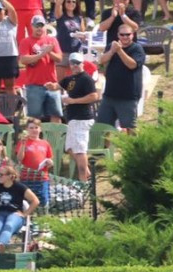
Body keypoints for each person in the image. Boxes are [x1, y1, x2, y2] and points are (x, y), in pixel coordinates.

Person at [96, 23, 145, 133]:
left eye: (128, 34)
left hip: (128, 96)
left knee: (130, 128)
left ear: (132, 35)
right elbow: (102, 60)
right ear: (118, 35)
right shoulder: (112, 46)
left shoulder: (137, 49)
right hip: (109, 95)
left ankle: (133, 145)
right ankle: (106, 145)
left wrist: (119, 51)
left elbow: (132, 65)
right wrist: (112, 51)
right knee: (103, 127)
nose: (125, 37)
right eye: (122, 35)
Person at [58, 52, 98, 182]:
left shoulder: (86, 79)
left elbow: (94, 96)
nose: (75, 65)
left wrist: (73, 101)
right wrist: (50, 86)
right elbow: (57, 86)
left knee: (80, 151)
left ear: (82, 64)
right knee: (69, 148)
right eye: (72, 63)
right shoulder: (70, 78)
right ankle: (87, 173)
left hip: (82, 118)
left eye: (77, 63)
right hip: (73, 118)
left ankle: (83, 182)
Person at [0, 164, 38, 249]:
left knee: (8, 225)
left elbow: (35, 201)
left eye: (1, 175)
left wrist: (25, 214)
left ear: (10, 176)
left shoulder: (20, 187)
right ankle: (0, 249)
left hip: (15, 214)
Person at [18, 14, 63, 122]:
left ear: (45, 26)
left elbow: (59, 58)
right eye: (37, 26)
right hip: (34, 85)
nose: (39, 28)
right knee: (34, 118)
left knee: (56, 115)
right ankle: (37, 134)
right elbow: (23, 60)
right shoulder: (26, 41)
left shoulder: (52, 40)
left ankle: (54, 134)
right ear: (32, 26)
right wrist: (42, 54)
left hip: (52, 84)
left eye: (41, 25)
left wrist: (49, 52)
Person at [14, 117, 52, 208]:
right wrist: (23, 145)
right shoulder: (23, 142)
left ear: (40, 129)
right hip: (26, 177)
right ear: (27, 129)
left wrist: (50, 162)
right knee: (25, 202)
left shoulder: (45, 143)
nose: (34, 130)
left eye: (36, 127)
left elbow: (49, 160)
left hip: (42, 177)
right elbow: (19, 158)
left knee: (43, 201)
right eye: (31, 128)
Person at [52, 0, 85, 72]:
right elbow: (58, 4)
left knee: (76, 78)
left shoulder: (79, 18)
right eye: (68, 1)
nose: (71, 3)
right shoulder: (61, 16)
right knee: (61, 79)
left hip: (76, 52)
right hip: (63, 52)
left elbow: (83, 34)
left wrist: (82, 36)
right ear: (64, 3)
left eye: (73, 2)